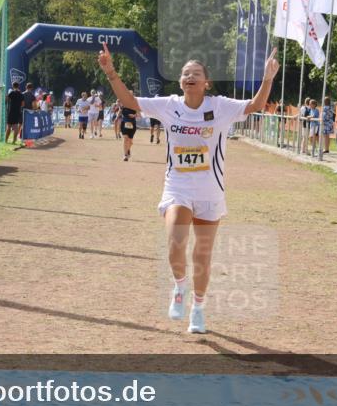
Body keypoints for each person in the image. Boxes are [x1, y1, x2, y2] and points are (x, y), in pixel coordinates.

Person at [99, 42, 280, 334]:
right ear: (181, 81)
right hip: (178, 187)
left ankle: (197, 308)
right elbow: (131, 101)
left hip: (210, 192)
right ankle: (180, 287)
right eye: (185, 73)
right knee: (176, 244)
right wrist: (110, 72)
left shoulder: (219, 106)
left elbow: (255, 106)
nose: (189, 76)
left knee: (201, 257)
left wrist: (268, 78)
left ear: (205, 82)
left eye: (196, 73)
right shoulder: (169, 106)